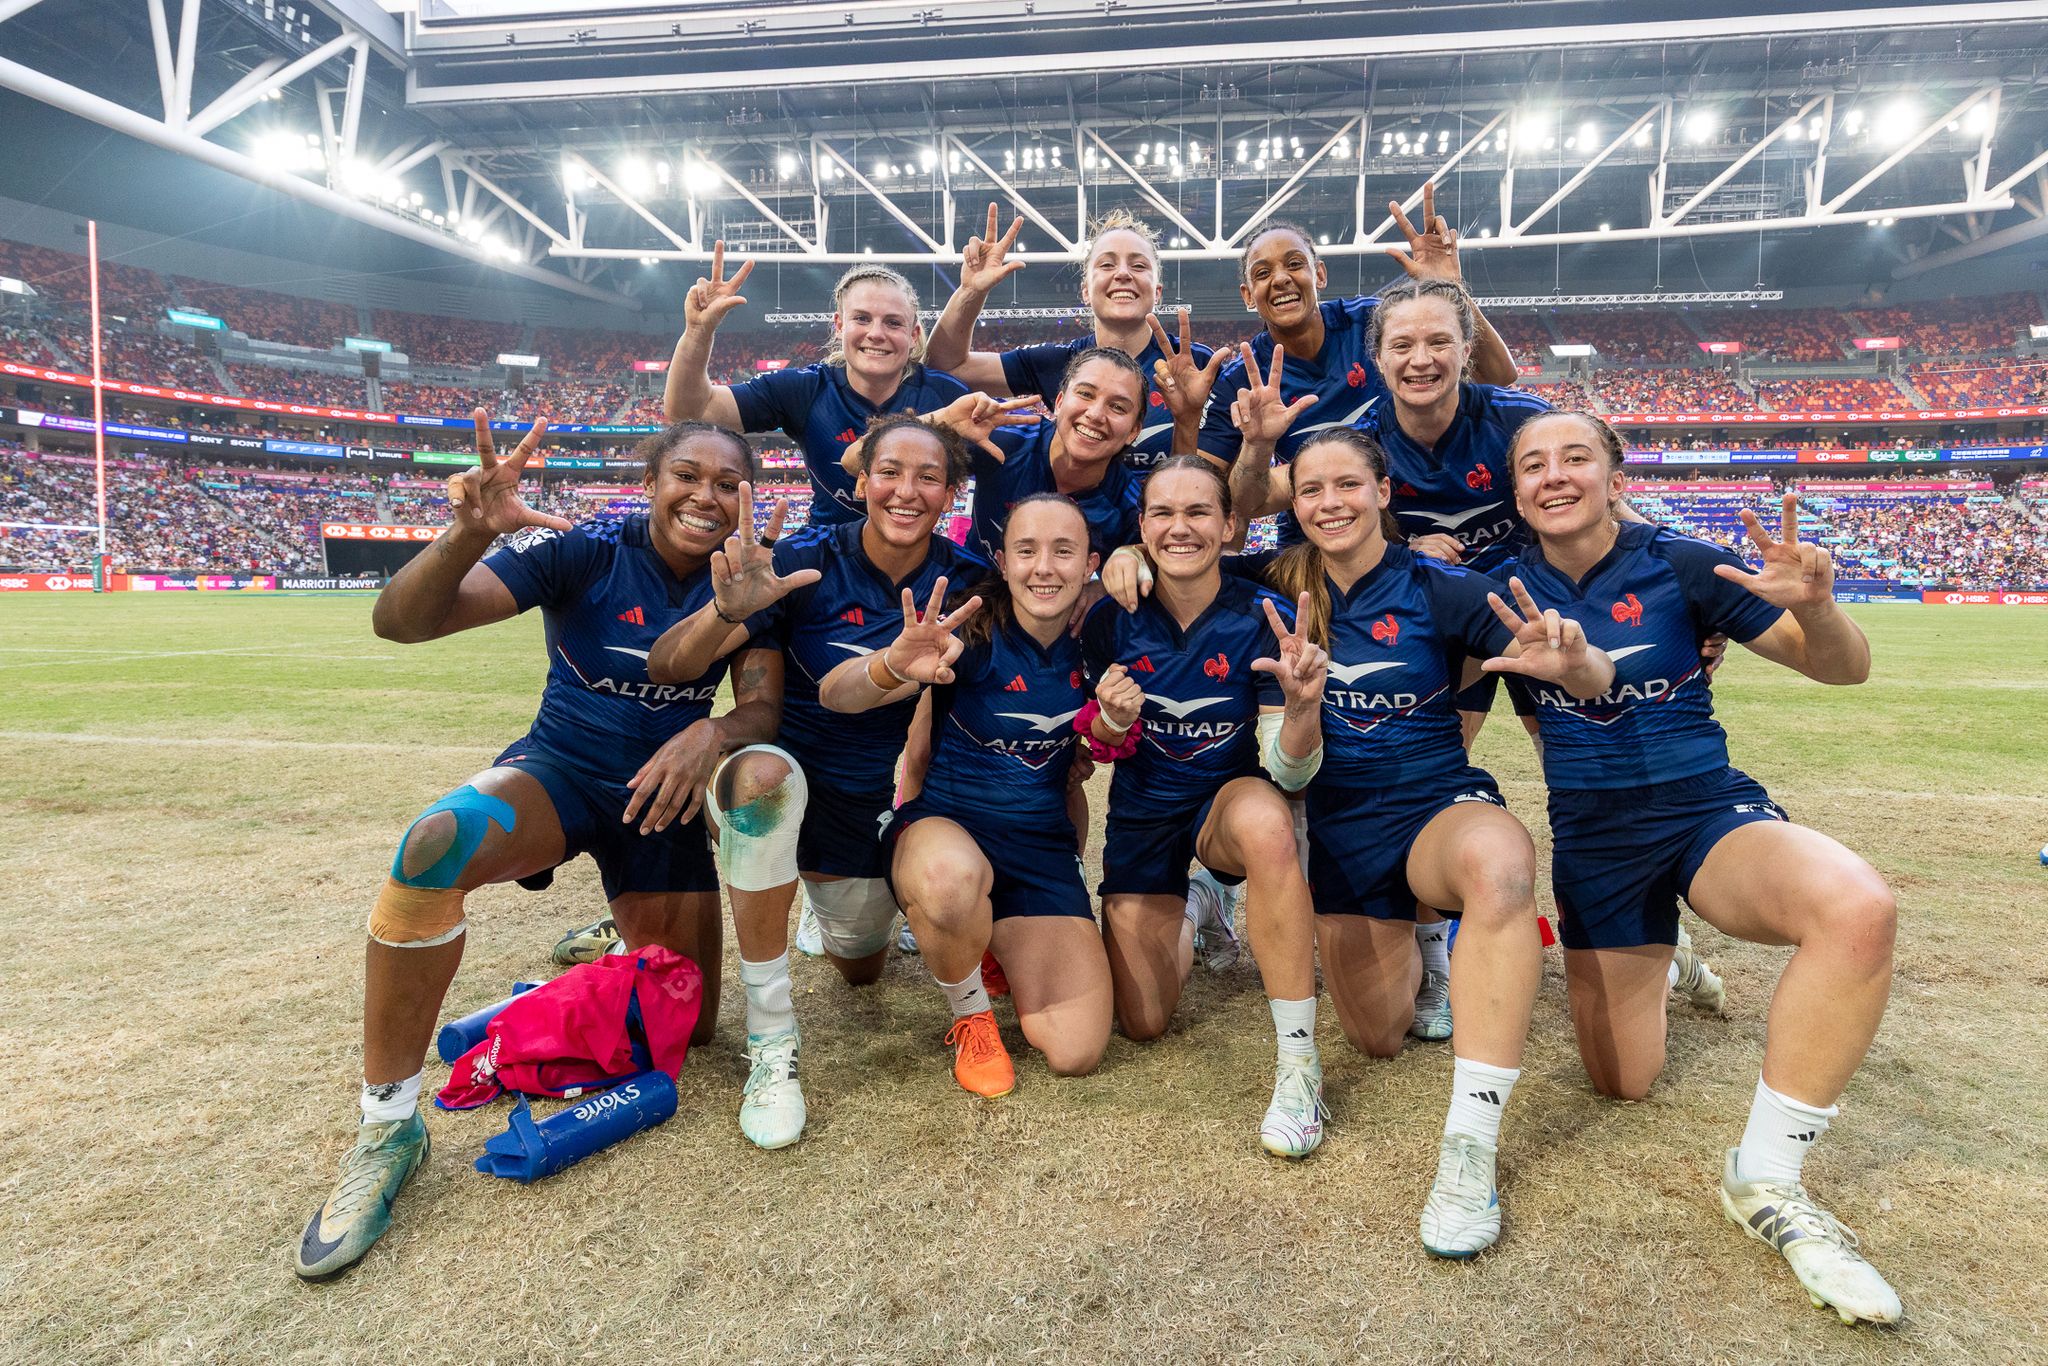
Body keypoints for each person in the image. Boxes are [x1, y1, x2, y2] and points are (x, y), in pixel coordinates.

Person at [295, 416, 784, 1279]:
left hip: (660, 804)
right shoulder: (587, 549)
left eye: (726, 483)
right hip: (559, 771)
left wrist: (712, 734)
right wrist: (465, 533)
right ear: (650, 481)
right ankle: (387, 1126)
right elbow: (401, 623)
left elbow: (761, 710)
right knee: (434, 842)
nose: (705, 496)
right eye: (686, 474)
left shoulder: (750, 573)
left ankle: (582, 970)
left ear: (747, 495)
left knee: (691, 1028)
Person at [1502, 410, 1902, 1325]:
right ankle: (1673, 954)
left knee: (1857, 907)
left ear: (1614, 475)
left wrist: (1820, 609)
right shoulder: (1496, 591)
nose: (1554, 476)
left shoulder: (1680, 562)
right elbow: (1495, 728)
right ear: (1516, 489)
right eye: (1533, 464)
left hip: (1705, 808)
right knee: (1622, 1081)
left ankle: (1766, 1178)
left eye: (1575, 458)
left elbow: (1842, 671)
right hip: (1596, 839)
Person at [1254, 427, 1618, 1255]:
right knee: (1378, 1037)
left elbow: (1576, 677)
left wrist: (1577, 663)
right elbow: (1289, 770)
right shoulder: (1276, 590)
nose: (1330, 503)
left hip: (1432, 803)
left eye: (1349, 485)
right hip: (1341, 830)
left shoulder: (1446, 588)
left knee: (1499, 866)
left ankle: (1469, 1147)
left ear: (1384, 492)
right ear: (1296, 506)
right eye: (1311, 491)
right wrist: (1126, 559)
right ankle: (1427, 938)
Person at [645, 413, 988, 1119]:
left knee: (861, 969)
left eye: (929, 477)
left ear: (951, 495)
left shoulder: (970, 584)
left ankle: (823, 912)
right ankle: (773, 1043)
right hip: (776, 776)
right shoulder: (801, 560)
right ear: (860, 481)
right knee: (762, 782)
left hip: (859, 806)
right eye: (889, 471)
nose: (905, 490)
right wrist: (721, 611)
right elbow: (668, 664)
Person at [818, 494, 1114, 1095]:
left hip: (1038, 851)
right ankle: (972, 1015)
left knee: (1075, 1050)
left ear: (1090, 564)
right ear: (1003, 562)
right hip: (945, 833)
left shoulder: (1098, 646)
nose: (1045, 568)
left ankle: (996, 939)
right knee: (951, 883)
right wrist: (894, 667)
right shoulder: (968, 633)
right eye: (1027, 551)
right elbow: (835, 695)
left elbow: (1083, 765)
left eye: (1064, 551)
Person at [1078, 457, 1328, 1157]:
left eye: (1197, 513)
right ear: (1141, 527)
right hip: (1142, 815)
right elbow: (1092, 749)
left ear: (1229, 525)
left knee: (1268, 818)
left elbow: (1287, 767)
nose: (1180, 527)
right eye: (1162, 513)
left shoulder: (1262, 614)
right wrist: (1112, 725)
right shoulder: (1108, 621)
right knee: (1144, 1022)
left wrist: (1303, 709)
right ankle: (1199, 903)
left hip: (1226, 801)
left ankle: (1300, 1065)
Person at [1195, 184, 1522, 547]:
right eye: (1262, 273)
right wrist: (1256, 446)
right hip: (1317, 536)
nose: (1282, 279)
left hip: (1406, 514)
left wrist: (1448, 288)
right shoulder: (1240, 379)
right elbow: (1217, 494)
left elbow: (1498, 378)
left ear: (1319, 275)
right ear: (1247, 295)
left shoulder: (1374, 321)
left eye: (1294, 264)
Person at [664, 245, 968, 525]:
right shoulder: (805, 389)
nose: (876, 333)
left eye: (893, 322)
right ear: (839, 326)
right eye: (862, 318)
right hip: (825, 557)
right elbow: (691, 410)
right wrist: (697, 332)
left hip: (917, 560)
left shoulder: (944, 395)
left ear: (914, 334)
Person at [922, 205, 1223, 470]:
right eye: (1106, 264)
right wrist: (971, 292)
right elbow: (946, 366)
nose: (1122, 274)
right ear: (1085, 291)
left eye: (1139, 265)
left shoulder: (1198, 366)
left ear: (1157, 292)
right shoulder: (1059, 363)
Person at [849, 347, 1146, 567]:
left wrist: (1112, 577)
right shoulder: (1005, 440)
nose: (1095, 415)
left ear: (1133, 431)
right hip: (973, 599)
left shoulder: (1128, 504)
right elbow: (853, 461)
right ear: (1058, 401)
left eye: (1117, 407)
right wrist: (943, 420)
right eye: (1085, 394)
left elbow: (1156, 557)